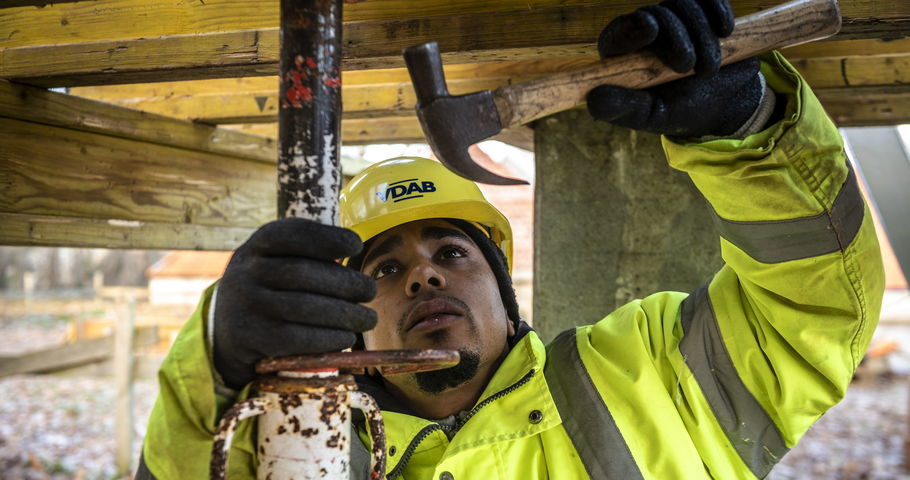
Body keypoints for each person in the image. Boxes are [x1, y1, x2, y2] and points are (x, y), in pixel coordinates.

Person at [138, 0, 885, 478]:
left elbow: (811, 312)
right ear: (345, 320)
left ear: (503, 284)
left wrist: (750, 128)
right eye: (385, 268)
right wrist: (214, 357)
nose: (422, 278)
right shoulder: (298, 439)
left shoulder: (653, 375)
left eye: (451, 253)